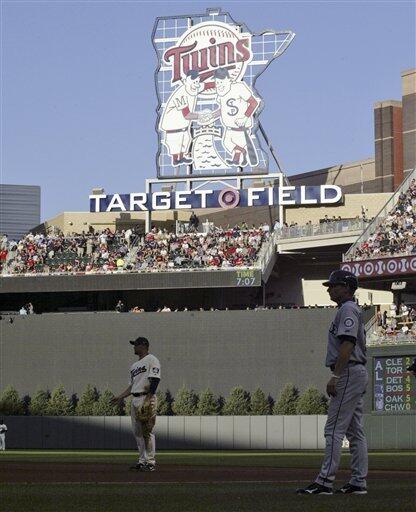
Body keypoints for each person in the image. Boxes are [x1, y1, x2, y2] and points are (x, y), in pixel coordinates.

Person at [297, 270, 368, 496]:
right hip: (355, 372)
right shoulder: (348, 309)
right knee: (355, 432)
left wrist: (336, 376)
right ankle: (358, 482)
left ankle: (325, 481)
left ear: (346, 287)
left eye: (334, 285)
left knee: (333, 429)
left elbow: (347, 344)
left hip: (348, 372)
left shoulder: (347, 309)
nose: (329, 289)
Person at [112, 337, 161, 471]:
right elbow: (132, 386)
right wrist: (120, 397)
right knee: (137, 432)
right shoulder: (134, 366)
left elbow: (155, 380)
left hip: (147, 397)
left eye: (136, 345)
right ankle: (142, 461)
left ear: (144, 345)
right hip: (135, 399)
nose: (134, 347)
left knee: (147, 431)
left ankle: (150, 462)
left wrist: (148, 399)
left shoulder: (152, 359)